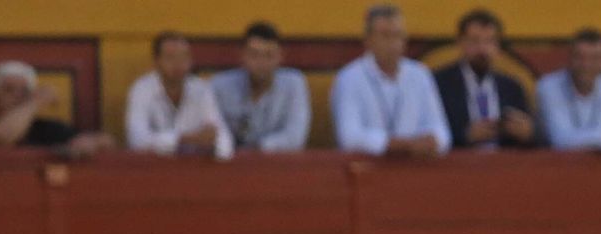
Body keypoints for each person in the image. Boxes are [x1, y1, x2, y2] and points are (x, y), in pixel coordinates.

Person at [330, 5, 450, 158]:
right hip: (368, 170)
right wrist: (394, 144)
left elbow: (441, 131)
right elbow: (349, 137)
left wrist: (434, 141)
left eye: (398, 35)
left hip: (414, 169)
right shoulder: (349, 78)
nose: (393, 43)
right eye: (385, 36)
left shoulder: (420, 75)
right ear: (368, 40)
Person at [433, 9, 541, 150]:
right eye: (475, 41)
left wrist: (528, 134)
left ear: (498, 46)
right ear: (460, 43)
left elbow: (530, 142)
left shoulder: (512, 87)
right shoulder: (439, 83)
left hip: (503, 166)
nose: (482, 49)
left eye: (489, 41)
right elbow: (430, 132)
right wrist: (465, 136)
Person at [0, 61, 112, 160]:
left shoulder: (48, 129)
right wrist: (36, 101)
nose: (17, 96)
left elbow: (107, 141)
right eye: (9, 90)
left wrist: (92, 142)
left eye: (24, 91)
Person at [125, 32, 233, 160]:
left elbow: (224, 140)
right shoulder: (141, 89)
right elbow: (136, 140)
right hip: (153, 170)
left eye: (184, 57)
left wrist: (214, 143)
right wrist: (183, 139)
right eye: (170, 57)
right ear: (156, 61)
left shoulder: (201, 90)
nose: (178, 64)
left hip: (193, 171)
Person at [210, 22, 311, 153]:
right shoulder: (220, 86)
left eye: (269, 55)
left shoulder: (294, 84)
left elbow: (295, 138)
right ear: (242, 55)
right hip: (229, 164)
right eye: (254, 55)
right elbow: (213, 134)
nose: (261, 62)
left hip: (277, 166)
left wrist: (258, 147)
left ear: (281, 56)